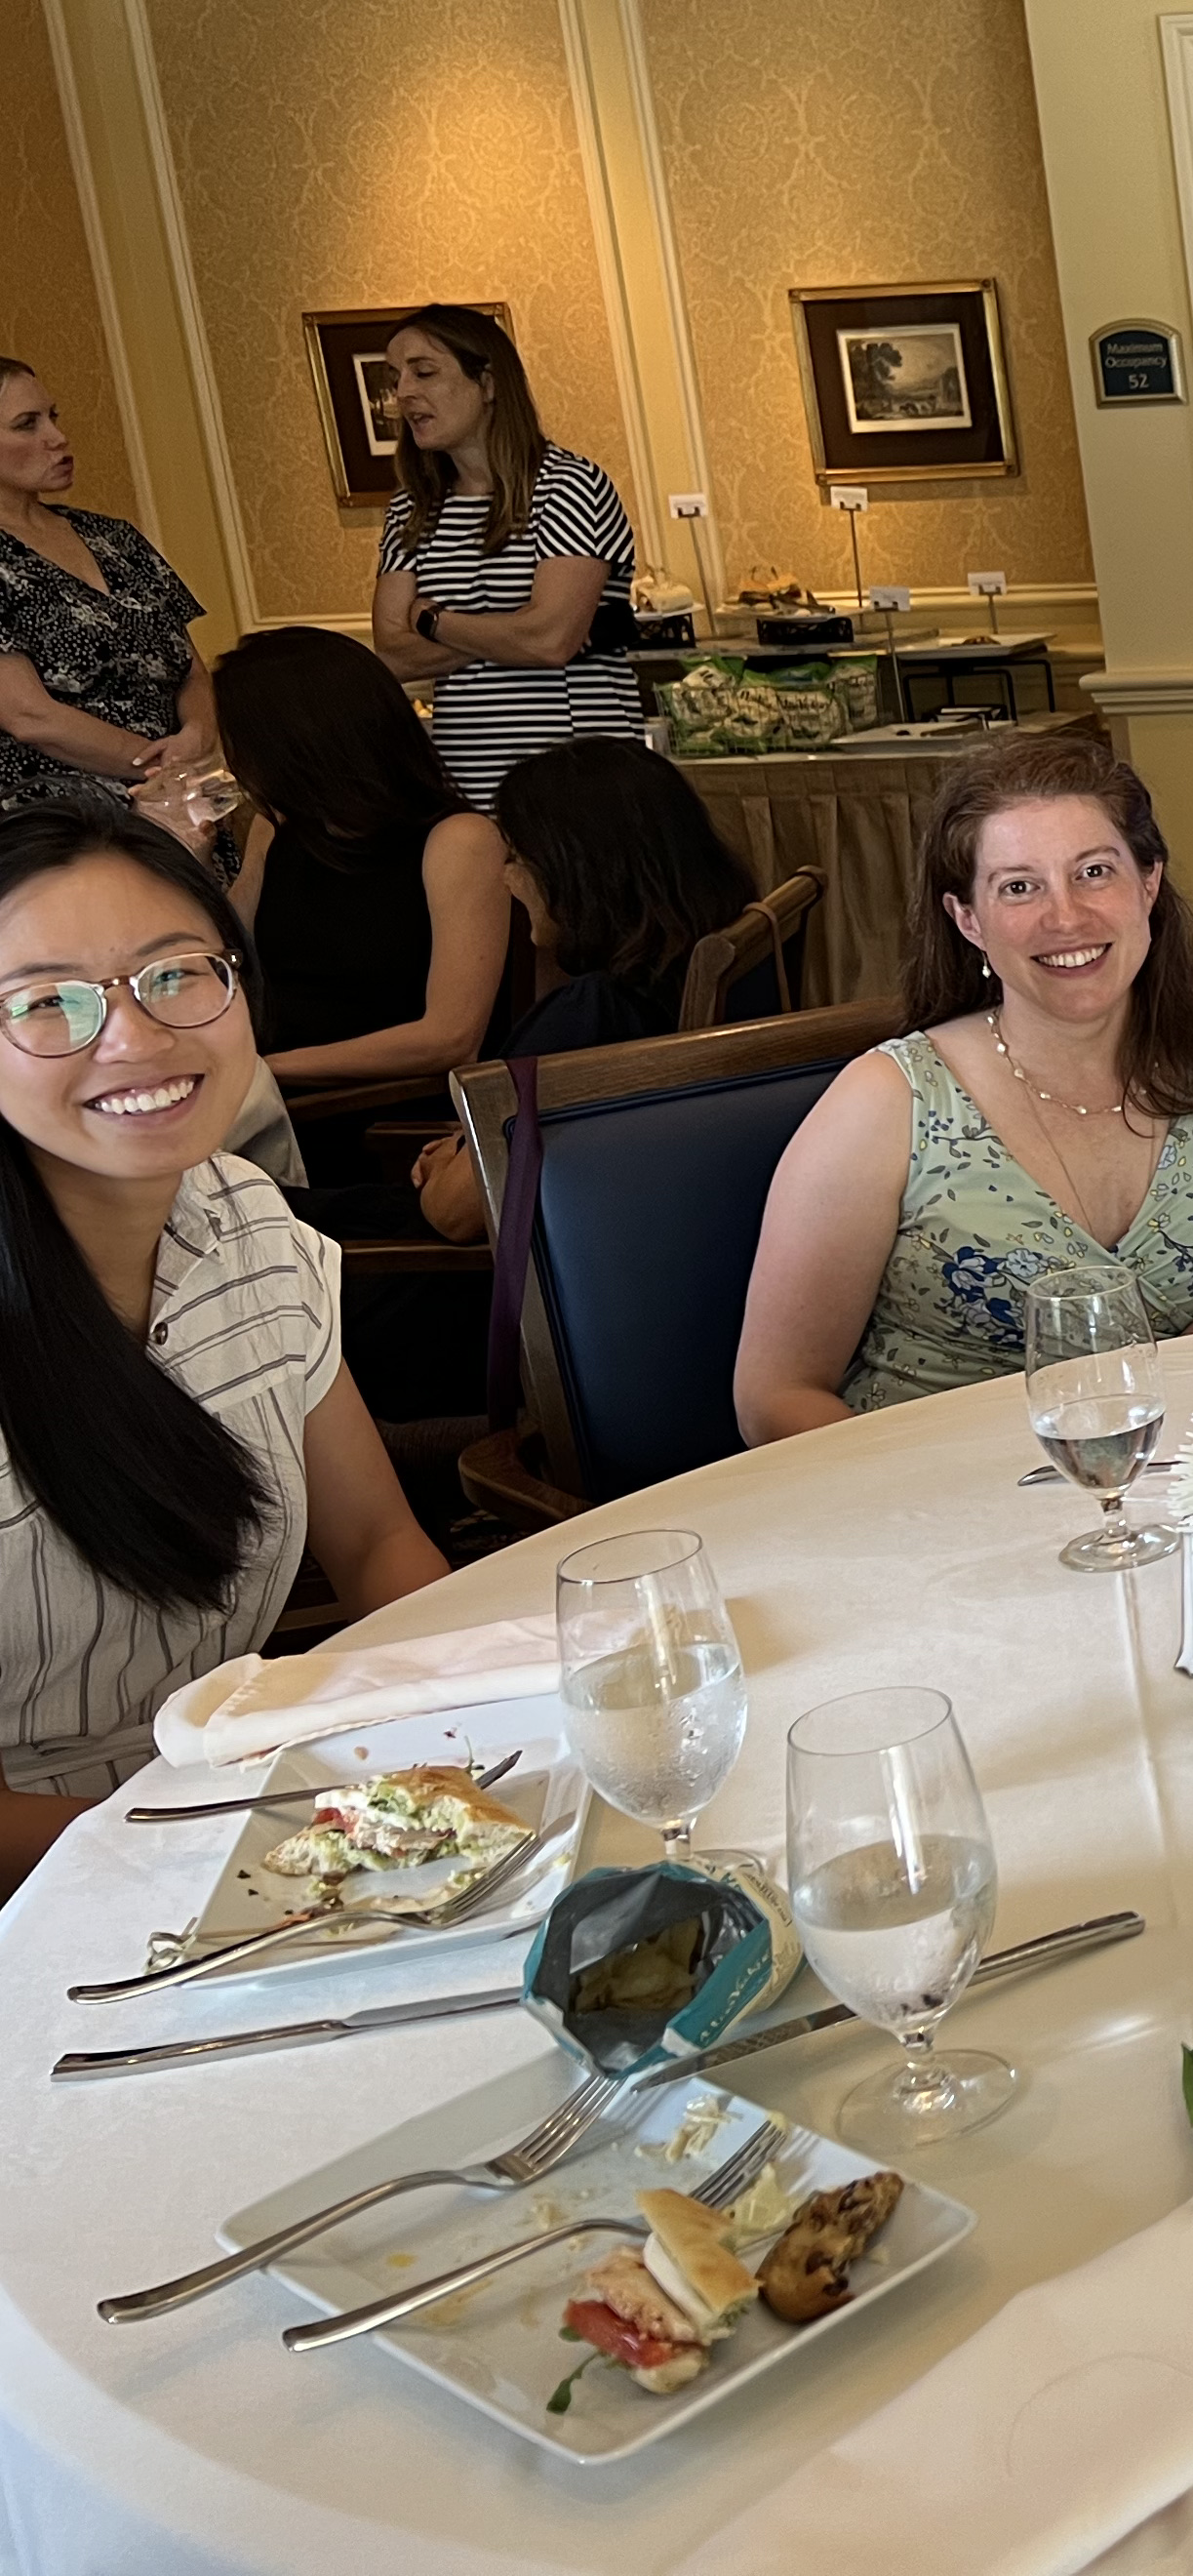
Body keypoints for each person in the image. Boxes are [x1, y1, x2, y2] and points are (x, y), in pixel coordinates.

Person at [0, 804, 447, 1887]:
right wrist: (227, 1848)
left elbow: (380, 1542)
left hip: (268, 1825)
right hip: (55, 1898)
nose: (137, 1039)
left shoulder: (247, 1221)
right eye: (45, 1005)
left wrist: (459, 1742)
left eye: (175, 974)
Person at [736, 731, 1193, 1436]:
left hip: (1172, 1463)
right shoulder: (886, 1100)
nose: (1066, 916)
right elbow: (775, 1397)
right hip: (931, 1493)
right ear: (968, 920)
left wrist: (1132, 1434)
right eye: (1020, 886)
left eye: (1095, 872)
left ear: (1149, 883)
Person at [401, 739, 764, 1244]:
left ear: (576, 872)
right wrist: (468, 1145)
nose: (506, 879)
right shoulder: (719, 949)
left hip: (505, 1279)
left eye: (516, 857)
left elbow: (454, 1216)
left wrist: (450, 1170)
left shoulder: (593, 1015)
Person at [357, 304, 646, 807]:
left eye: (424, 372)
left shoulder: (567, 486)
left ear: (487, 383)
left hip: (580, 783)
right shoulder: (412, 506)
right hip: (467, 784)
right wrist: (519, 631)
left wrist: (434, 619)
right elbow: (392, 654)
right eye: (395, 377)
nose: (403, 392)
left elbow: (551, 640)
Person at [208, 626, 504, 1093]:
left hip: (380, 1104)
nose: (230, 758)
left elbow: (451, 1038)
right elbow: (223, 962)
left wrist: (267, 1069)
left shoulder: (458, 841)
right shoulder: (279, 827)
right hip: (274, 1090)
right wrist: (187, 856)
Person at [0, 358, 221, 824]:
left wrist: (198, 734)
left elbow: (190, 670)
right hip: (62, 819)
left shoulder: (115, 537)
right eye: (27, 425)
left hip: (180, 796)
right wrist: (162, 765)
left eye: (53, 417)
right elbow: (29, 717)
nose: (58, 438)